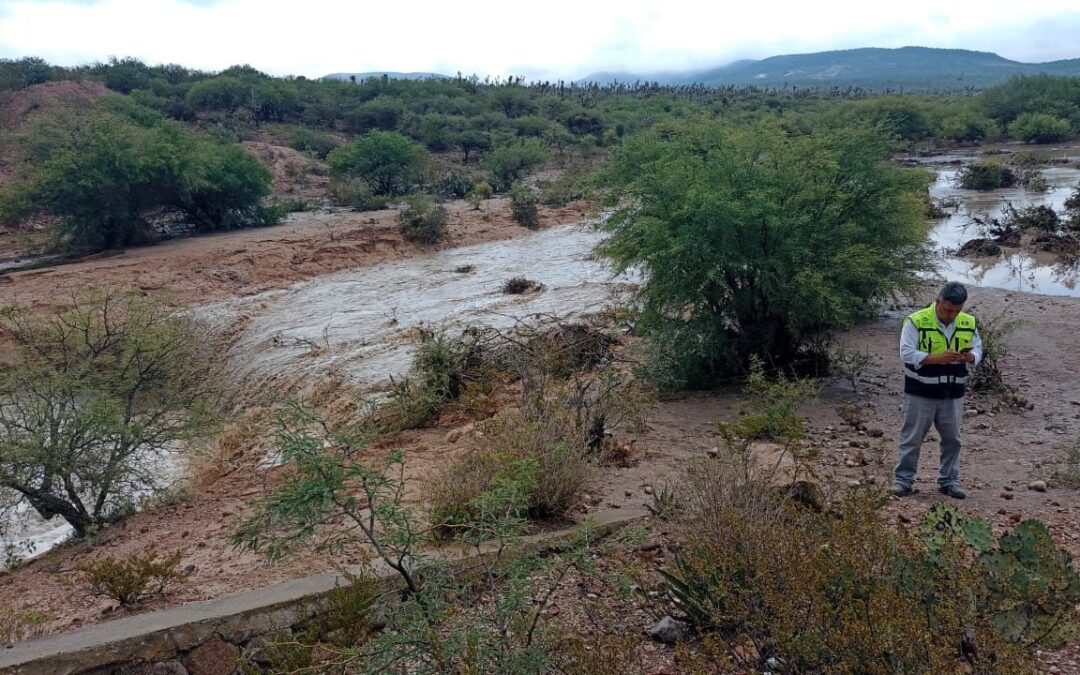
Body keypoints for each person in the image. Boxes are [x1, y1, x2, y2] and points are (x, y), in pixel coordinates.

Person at [891, 282, 982, 499]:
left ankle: (949, 481)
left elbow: (978, 348)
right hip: (920, 392)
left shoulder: (968, 322)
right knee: (911, 438)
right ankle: (903, 481)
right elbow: (906, 354)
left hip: (952, 393)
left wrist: (971, 357)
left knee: (953, 439)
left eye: (956, 311)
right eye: (948, 309)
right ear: (938, 301)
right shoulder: (916, 321)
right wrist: (938, 359)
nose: (951, 315)